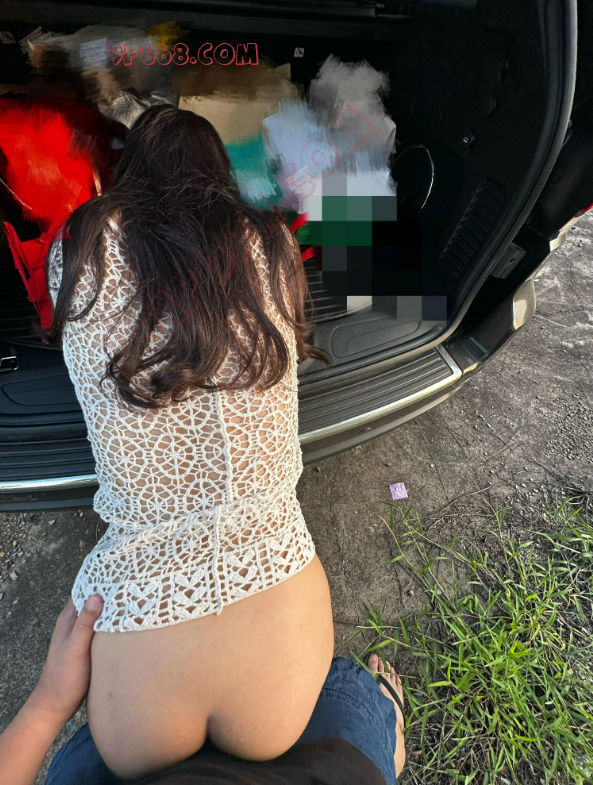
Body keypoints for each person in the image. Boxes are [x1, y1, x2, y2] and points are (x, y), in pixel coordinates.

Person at [0, 595, 406, 785]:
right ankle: (386, 736)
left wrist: (49, 704)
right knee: (352, 707)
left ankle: (381, 737)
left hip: (125, 757)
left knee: (355, 717)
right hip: (320, 769)